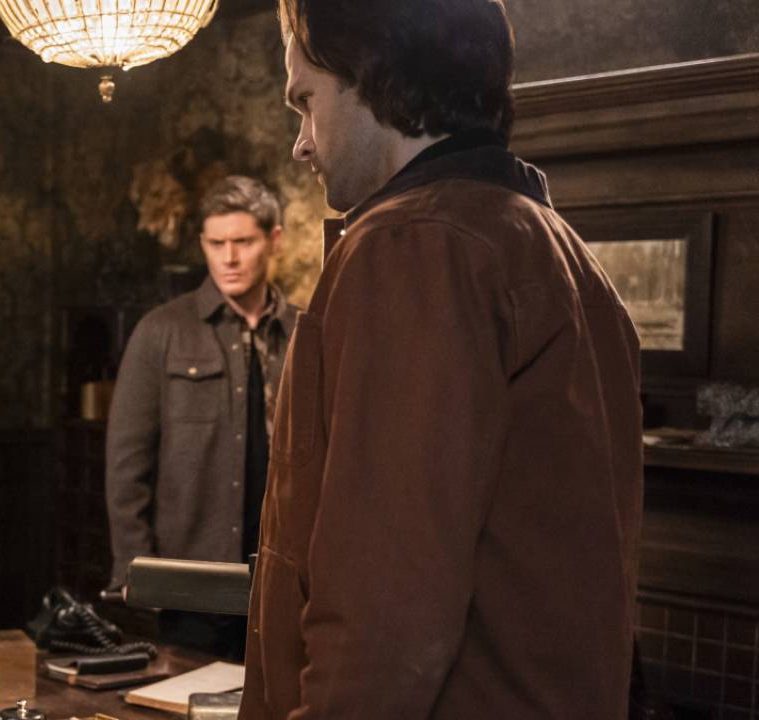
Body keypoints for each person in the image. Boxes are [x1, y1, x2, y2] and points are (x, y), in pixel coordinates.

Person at [241, 1, 643, 718]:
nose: (301, 144)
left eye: (306, 101)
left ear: (371, 73)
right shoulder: (561, 253)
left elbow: (383, 611)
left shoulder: (414, 246)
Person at [106, 175, 297, 660]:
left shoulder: (304, 331)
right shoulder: (161, 331)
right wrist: (134, 568)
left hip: (286, 576)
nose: (229, 258)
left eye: (243, 242)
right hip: (191, 579)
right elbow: (127, 465)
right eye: (216, 244)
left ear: (274, 240)